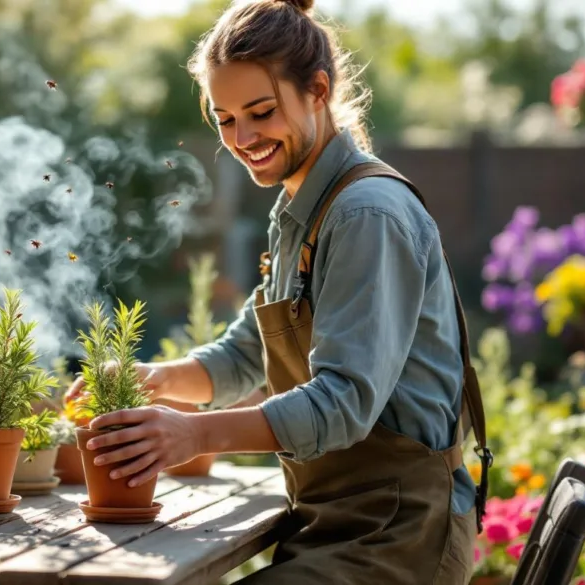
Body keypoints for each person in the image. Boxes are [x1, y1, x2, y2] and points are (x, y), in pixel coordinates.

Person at [64, 0, 493, 583]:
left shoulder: (366, 214)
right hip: (339, 524)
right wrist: (153, 380)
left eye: (261, 112)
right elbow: (246, 355)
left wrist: (193, 433)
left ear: (317, 91)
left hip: (400, 535)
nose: (242, 138)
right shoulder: (301, 211)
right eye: (225, 119)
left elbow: (343, 401)